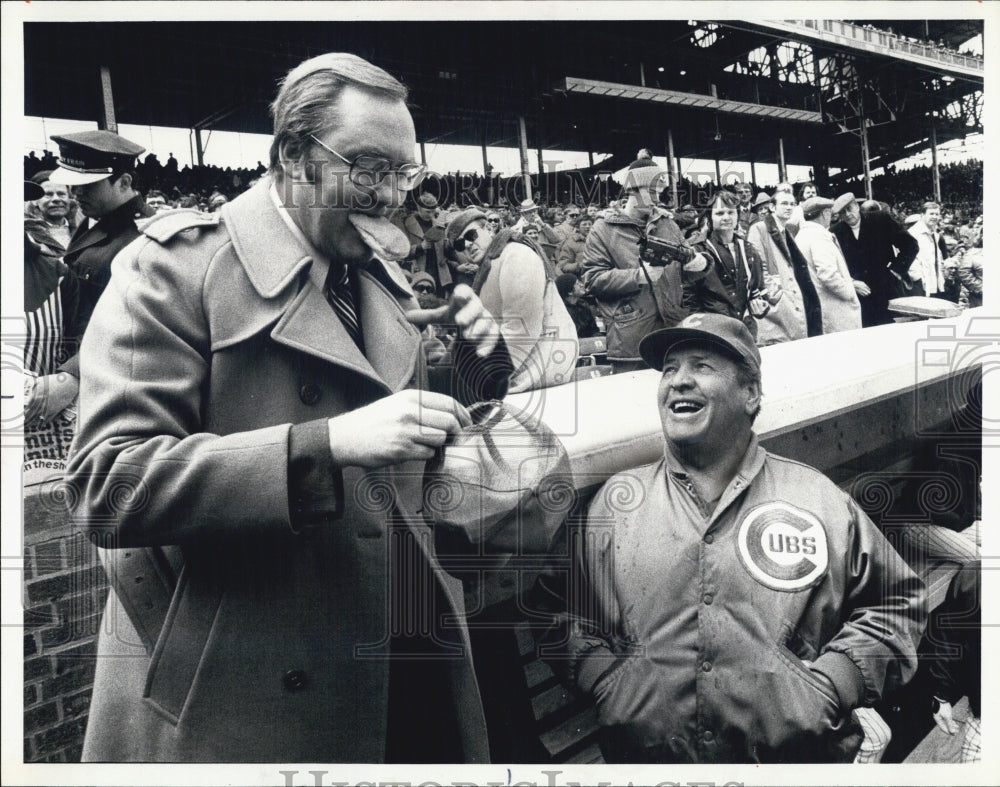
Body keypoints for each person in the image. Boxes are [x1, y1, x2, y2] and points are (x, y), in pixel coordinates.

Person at [66, 52, 514, 763]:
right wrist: (323, 444)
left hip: (399, 653)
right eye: (368, 168)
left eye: (406, 173)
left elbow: (406, 429)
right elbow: (105, 487)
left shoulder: (380, 275)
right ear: (294, 155)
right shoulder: (173, 267)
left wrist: (473, 362)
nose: (392, 195)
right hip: (246, 685)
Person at [539, 313, 925, 763]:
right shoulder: (615, 503)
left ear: (750, 394)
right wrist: (603, 678)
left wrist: (833, 681)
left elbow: (898, 603)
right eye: (669, 369)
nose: (679, 381)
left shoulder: (814, 499)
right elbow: (554, 605)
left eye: (702, 366)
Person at [579, 155, 707, 372]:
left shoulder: (668, 225)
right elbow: (592, 280)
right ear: (633, 190)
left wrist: (699, 264)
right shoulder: (603, 229)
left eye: (660, 192)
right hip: (631, 342)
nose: (658, 199)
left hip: (673, 333)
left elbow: (686, 265)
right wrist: (638, 276)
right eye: (653, 192)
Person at [47, 130, 153, 374]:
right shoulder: (94, 219)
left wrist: (73, 374)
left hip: (107, 371)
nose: (76, 193)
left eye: (88, 186)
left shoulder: (145, 237)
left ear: (124, 182)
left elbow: (134, 328)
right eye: (74, 185)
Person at [448, 207, 578, 392]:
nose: (467, 245)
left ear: (488, 229)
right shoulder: (491, 265)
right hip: (525, 374)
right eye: (460, 245)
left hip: (539, 372)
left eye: (471, 235)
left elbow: (520, 328)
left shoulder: (515, 255)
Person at [683, 190, 772, 338]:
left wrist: (760, 307)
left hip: (745, 331)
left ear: (738, 215)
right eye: (719, 213)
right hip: (712, 333)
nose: (726, 217)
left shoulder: (749, 250)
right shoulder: (698, 252)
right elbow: (688, 298)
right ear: (709, 218)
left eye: (731, 212)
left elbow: (758, 292)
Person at [746, 188, 823, 344]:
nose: (789, 207)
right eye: (784, 204)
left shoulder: (786, 231)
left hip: (791, 303)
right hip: (778, 306)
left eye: (792, 204)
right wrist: (777, 296)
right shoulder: (759, 229)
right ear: (773, 207)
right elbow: (758, 268)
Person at [831, 192, 918, 327]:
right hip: (858, 296)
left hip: (886, 290)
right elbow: (835, 264)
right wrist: (851, 282)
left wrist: (896, 269)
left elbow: (911, 245)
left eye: (849, 209)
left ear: (857, 206)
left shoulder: (880, 219)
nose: (847, 215)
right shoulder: (836, 232)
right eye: (842, 213)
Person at [794, 196, 863, 334]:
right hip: (836, 311)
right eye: (830, 212)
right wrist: (849, 292)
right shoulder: (819, 236)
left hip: (820, 309)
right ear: (825, 213)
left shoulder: (802, 235)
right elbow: (828, 274)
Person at [404, 192, 451, 293]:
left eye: (433, 212)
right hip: (419, 272)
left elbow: (446, 249)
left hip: (439, 273)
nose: (431, 215)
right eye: (427, 212)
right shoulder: (406, 224)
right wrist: (420, 247)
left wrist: (451, 243)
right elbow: (401, 252)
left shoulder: (438, 225)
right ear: (419, 207)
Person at [907, 201, 950, 299]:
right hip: (919, 284)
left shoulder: (935, 233)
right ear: (922, 215)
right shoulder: (913, 233)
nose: (934, 217)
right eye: (931, 214)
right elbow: (909, 259)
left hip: (934, 281)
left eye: (937, 214)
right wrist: (917, 278)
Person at [555, 272, 600, 339]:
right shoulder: (561, 311)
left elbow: (593, 330)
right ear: (570, 292)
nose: (582, 285)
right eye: (577, 284)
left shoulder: (583, 305)